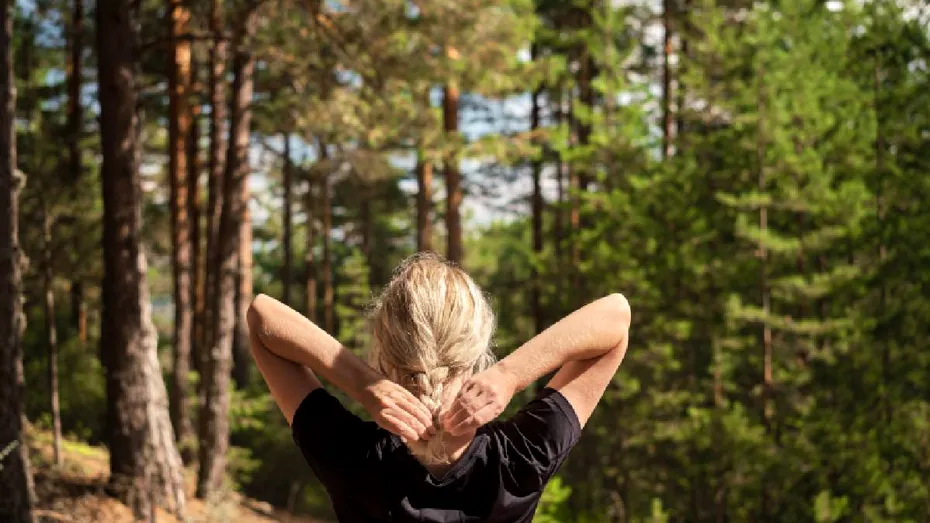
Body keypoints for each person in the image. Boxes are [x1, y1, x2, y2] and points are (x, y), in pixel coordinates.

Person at [248, 252, 631, 522]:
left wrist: (364, 384)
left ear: (385, 351)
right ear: (476, 349)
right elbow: (615, 317)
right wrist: (509, 375)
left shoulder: (351, 458)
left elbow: (262, 316)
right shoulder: (520, 459)